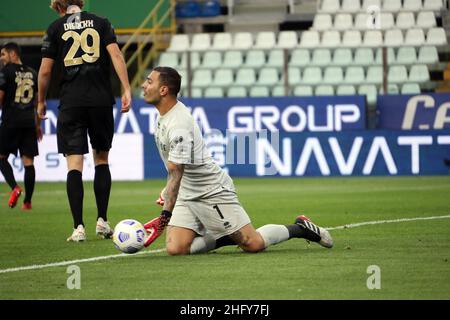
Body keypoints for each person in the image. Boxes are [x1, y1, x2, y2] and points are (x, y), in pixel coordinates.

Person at [140, 66, 333, 255]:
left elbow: (176, 171)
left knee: (253, 243)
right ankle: (226, 234)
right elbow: (177, 168)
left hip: (210, 191)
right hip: (186, 191)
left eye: (149, 81)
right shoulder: (165, 116)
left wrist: (164, 217)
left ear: (164, 90)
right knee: (176, 248)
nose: (143, 85)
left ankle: (300, 228)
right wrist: (169, 190)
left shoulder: (178, 123)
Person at [37, 0, 132, 242]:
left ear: (59, 7)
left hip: (71, 103)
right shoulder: (101, 23)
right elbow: (116, 55)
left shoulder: (54, 28)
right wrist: (127, 89)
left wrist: (40, 101)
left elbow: (46, 71)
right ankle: (102, 221)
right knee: (101, 159)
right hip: (100, 101)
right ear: (81, 3)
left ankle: (78, 227)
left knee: (74, 165)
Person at [0, 42, 41, 210]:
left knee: (1, 157)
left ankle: (15, 188)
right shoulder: (32, 73)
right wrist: (37, 124)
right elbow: (37, 101)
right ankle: (28, 202)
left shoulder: (5, 72)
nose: (1, 58)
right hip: (29, 122)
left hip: (11, 121)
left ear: (13, 54)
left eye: (3, 54)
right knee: (28, 162)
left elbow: (0, 97)